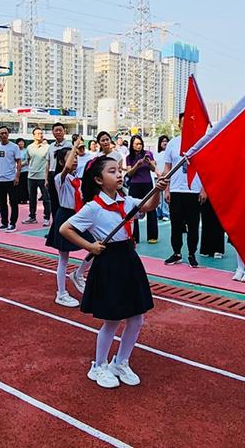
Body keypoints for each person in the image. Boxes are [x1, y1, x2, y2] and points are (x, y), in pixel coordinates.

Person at [59, 156, 168, 389]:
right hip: (109, 263)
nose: (119, 174)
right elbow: (65, 228)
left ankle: (121, 362)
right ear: (99, 179)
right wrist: (89, 246)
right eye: (112, 171)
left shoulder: (126, 201)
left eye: (119, 170)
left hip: (129, 259)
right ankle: (98, 365)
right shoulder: (93, 208)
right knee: (112, 319)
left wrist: (157, 190)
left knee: (137, 318)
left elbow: (149, 206)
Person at [44, 142, 91, 307]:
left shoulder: (77, 179)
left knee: (97, 246)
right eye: (72, 157)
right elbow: (67, 168)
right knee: (63, 258)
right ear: (63, 162)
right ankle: (61, 293)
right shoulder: (59, 178)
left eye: (77, 157)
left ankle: (78, 274)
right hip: (65, 217)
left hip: (79, 216)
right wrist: (74, 147)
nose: (75, 160)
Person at [163, 113, 205, 268]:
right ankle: (177, 253)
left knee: (193, 226)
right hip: (176, 190)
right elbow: (167, 167)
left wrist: (203, 189)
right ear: (179, 124)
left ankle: (192, 254)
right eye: (183, 122)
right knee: (175, 225)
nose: (186, 125)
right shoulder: (173, 143)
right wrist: (167, 189)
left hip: (193, 191)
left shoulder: (200, 144)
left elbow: (205, 169)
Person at [124, 135, 158, 244]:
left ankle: (152, 236)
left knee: (151, 210)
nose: (139, 146)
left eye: (140, 144)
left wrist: (148, 163)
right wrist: (137, 165)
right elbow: (129, 173)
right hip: (134, 185)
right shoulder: (129, 157)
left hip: (147, 184)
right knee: (134, 210)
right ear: (132, 145)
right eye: (136, 144)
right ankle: (134, 236)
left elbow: (153, 169)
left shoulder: (148, 154)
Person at [0, 125, 22, 232]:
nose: (3, 135)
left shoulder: (14, 147)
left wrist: (17, 176)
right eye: (1, 133)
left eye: (5, 133)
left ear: (8, 134)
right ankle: (4, 223)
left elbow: (19, 162)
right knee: (2, 203)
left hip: (11, 180)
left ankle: (12, 224)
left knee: (13, 202)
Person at [23, 128, 51, 227]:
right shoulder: (29, 147)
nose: (40, 135)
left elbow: (49, 162)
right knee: (32, 198)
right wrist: (18, 166)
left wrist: (48, 178)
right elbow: (27, 161)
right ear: (33, 135)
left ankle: (47, 218)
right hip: (31, 177)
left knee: (46, 199)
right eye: (38, 133)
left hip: (43, 176)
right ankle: (32, 216)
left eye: (41, 133)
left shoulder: (48, 147)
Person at [46, 122, 73, 218]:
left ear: (64, 132)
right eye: (56, 130)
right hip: (52, 174)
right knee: (53, 201)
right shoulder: (51, 146)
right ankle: (54, 225)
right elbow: (48, 163)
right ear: (52, 132)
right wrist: (46, 179)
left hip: (64, 175)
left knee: (63, 201)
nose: (58, 132)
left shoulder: (69, 146)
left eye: (60, 130)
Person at [155, 136, 170, 222]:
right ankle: (159, 213)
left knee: (165, 196)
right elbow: (154, 165)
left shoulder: (169, 153)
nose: (165, 143)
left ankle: (166, 213)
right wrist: (158, 174)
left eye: (166, 141)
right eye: (163, 141)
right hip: (157, 177)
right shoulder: (156, 154)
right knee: (158, 196)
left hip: (166, 178)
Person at [15, 137, 29, 205]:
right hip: (17, 171)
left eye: (22, 142)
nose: (21, 144)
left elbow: (27, 160)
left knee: (24, 185)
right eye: (19, 142)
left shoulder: (26, 151)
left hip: (25, 170)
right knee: (17, 185)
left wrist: (20, 165)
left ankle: (25, 199)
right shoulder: (15, 150)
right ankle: (18, 198)